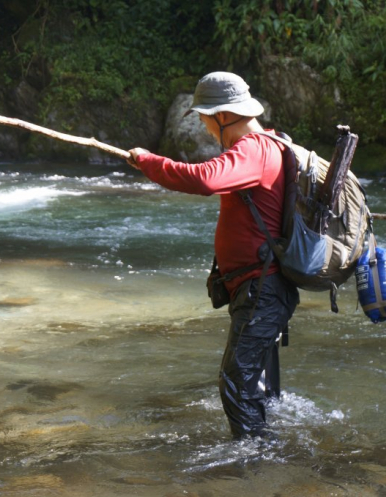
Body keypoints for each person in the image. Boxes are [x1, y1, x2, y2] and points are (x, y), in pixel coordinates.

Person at [126, 72, 299, 439]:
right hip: (262, 288)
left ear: (222, 116)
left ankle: (254, 465)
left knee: (235, 382)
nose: (204, 128)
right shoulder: (268, 145)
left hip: (262, 290)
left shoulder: (254, 149)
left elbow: (204, 179)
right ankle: (273, 458)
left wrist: (148, 162)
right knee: (256, 386)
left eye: (204, 118)